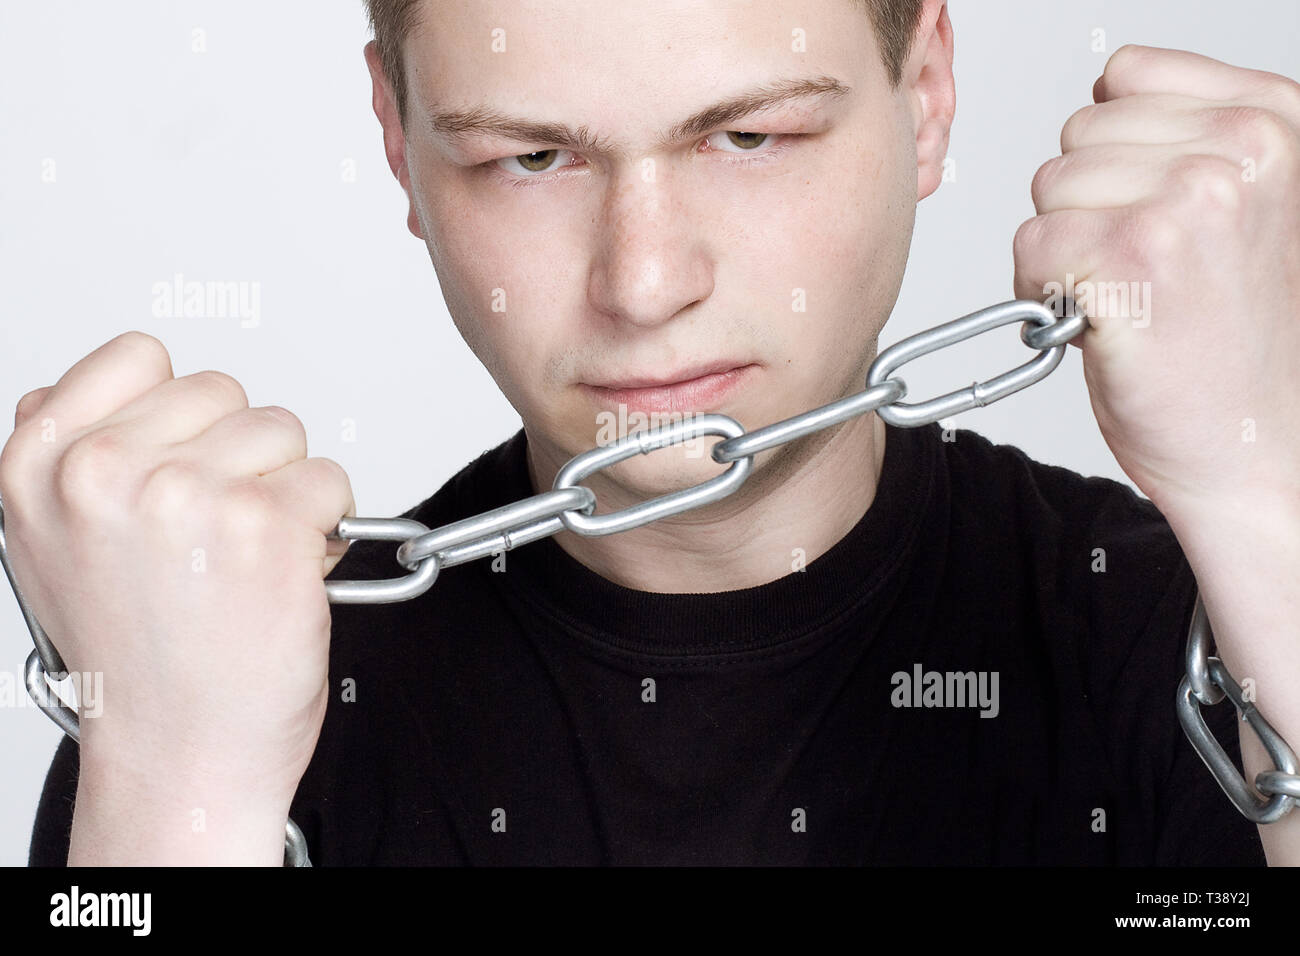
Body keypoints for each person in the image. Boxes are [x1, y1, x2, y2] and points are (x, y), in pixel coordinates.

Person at [15, 0, 1300, 865]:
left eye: (749, 136)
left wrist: (1262, 489)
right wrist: (173, 789)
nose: (642, 282)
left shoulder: (1175, 616)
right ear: (400, 144)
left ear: (925, 97)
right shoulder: (219, 676)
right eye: (529, 159)